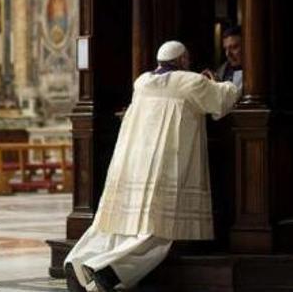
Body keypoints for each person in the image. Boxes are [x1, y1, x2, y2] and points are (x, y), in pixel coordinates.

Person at [65, 40, 240, 292]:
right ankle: (108, 272)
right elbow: (224, 99)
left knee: (120, 225)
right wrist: (215, 81)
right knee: (158, 233)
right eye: (186, 60)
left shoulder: (143, 81)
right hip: (167, 165)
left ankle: (78, 259)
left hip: (136, 163)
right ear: (181, 60)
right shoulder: (190, 81)